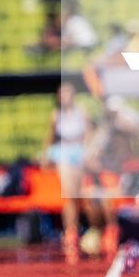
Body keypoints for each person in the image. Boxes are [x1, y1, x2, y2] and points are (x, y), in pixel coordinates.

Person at [49, 81, 91, 262]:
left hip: (79, 153)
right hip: (63, 153)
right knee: (69, 194)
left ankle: (86, 229)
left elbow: (89, 133)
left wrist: (88, 152)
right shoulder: (55, 115)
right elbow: (50, 137)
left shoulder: (81, 111)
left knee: (80, 195)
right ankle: (70, 231)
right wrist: (46, 156)